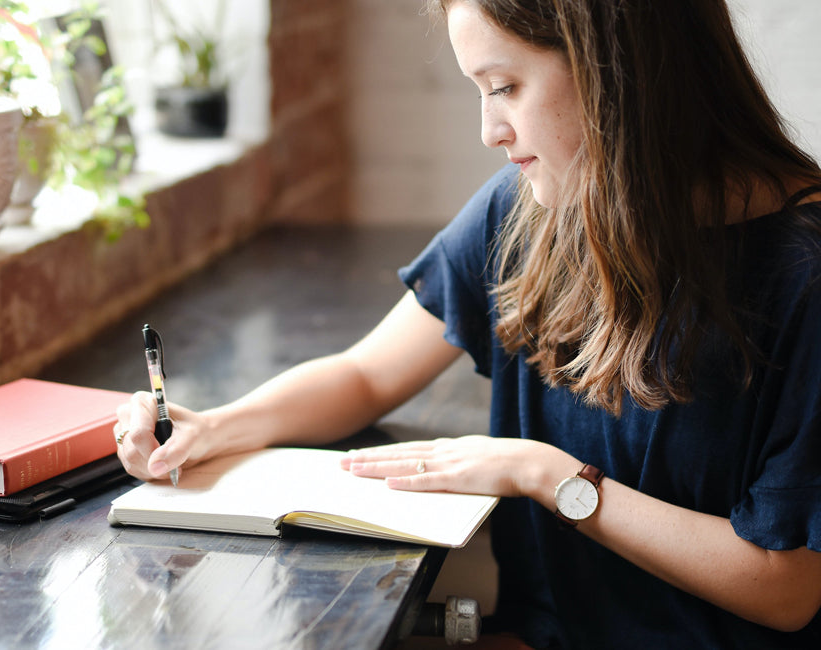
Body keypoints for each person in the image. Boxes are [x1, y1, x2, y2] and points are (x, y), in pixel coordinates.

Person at [114, 0, 821, 646]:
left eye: (506, 86)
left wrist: (546, 474)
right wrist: (215, 427)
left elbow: (784, 587)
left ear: (620, 71)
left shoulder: (804, 274)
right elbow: (366, 373)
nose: (489, 131)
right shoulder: (528, 209)